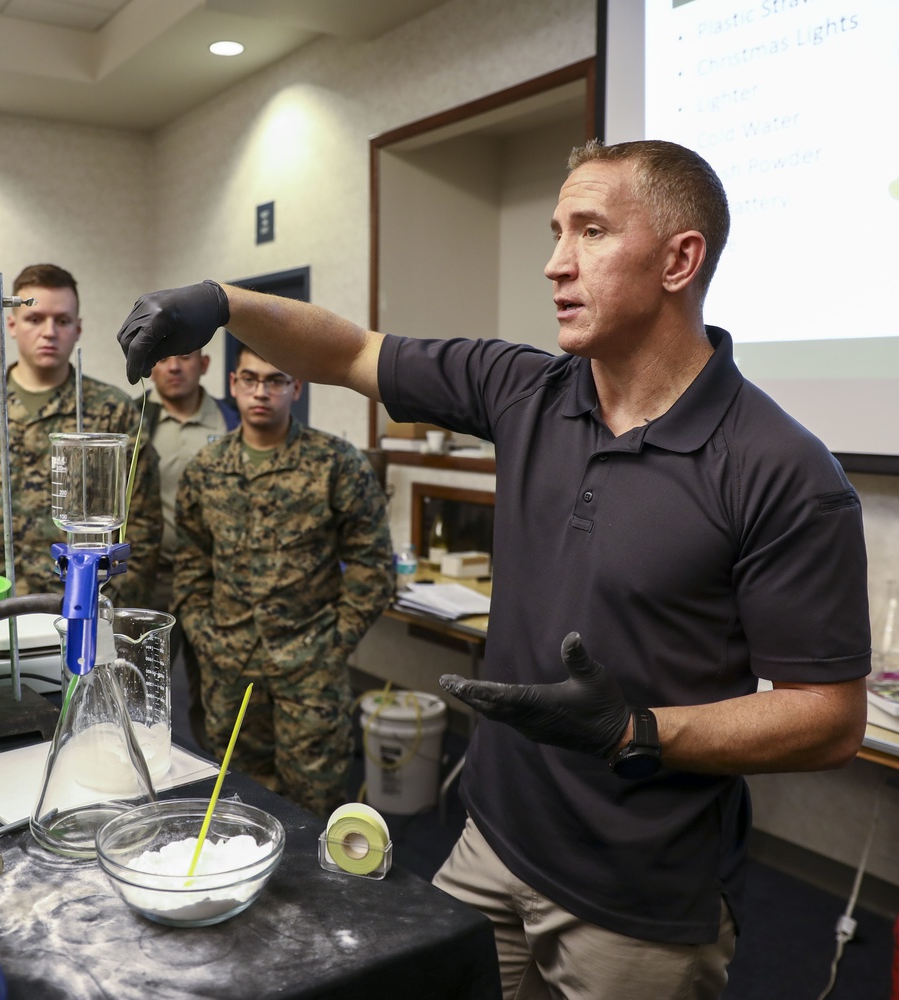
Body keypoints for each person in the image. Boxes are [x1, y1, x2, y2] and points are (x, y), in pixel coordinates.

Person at [115, 139, 871, 999]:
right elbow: (351, 352)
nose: (556, 264)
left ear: (679, 259)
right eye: (556, 232)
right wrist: (221, 301)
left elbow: (829, 717)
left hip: (638, 897)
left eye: (590, 232)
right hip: (490, 839)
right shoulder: (530, 390)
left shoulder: (782, 469)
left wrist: (637, 731)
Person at [169, 342, 394, 817]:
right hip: (229, 664)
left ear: (296, 386)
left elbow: (373, 565)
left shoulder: (336, 463)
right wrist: (204, 634)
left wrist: (336, 643)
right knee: (239, 797)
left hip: (310, 665)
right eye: (250, 379)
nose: (261, 392)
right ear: (233, 385)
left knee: (314, 802)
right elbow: (190, 560)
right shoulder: (207, 470)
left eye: (275, 380)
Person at [0, 263, 160, 607]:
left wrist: (104, 603)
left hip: (82, 606)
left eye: (62, 321)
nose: (49, 332)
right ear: (12, 323)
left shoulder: (112, 412)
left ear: (78, 328)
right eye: (35, 319)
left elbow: (143, 522)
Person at [144, 349, 239, 748]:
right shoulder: (133, 421)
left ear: (204, 364)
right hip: (152, 579)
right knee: (142, 690)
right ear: (151, 366)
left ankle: (218, 780)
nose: (174, 366)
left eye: (185, 356)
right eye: (163, 358)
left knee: (216, 693)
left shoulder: (232, 420)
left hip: (215, 582)